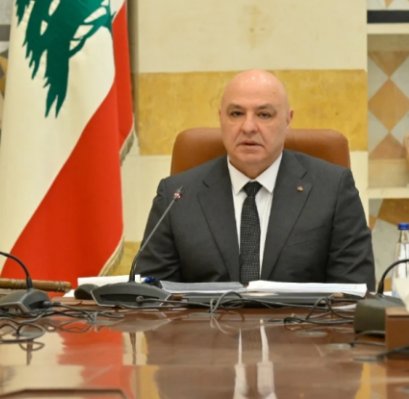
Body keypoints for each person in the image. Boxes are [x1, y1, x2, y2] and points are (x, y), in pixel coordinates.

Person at [136, 70, 375, 289]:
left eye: (264, 114)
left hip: (302, 323)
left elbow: (354, 292)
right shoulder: (176, 196)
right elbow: (151, 296)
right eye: (236, 114)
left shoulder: (333, 190)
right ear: (221, 118)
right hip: (206, 324)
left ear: (288, 120)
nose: (248, 127)